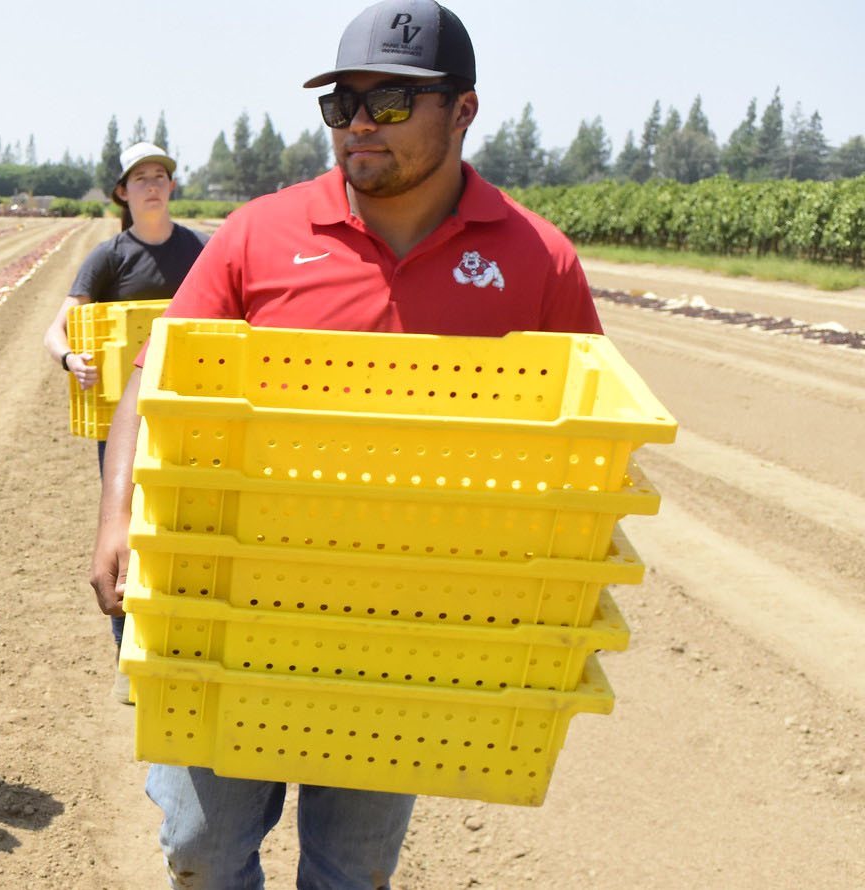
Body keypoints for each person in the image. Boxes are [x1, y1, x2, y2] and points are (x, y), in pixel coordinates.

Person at [87, 2, 606, 888]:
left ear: (464, 110)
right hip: (239, 594)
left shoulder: (536, 262)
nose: (359, 123)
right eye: (342, 104)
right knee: (201, 851)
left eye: (391, 103)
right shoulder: (261, 235)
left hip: (404, 623)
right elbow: (152, 375)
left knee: (351, 871)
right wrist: (118, 518)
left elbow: (587, 434)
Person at [41, 141, 207, 705]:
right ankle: (129, 655)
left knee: (188, 529)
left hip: (190, 416)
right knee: (130, 534)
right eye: (141, 178)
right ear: (123, 192)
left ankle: (182, 644)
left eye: (161, 176)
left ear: (172, 187)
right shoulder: (108, 257)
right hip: (126, 425)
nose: (153, 185)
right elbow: (56, 331)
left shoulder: (200, 252)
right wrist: (72, 359)